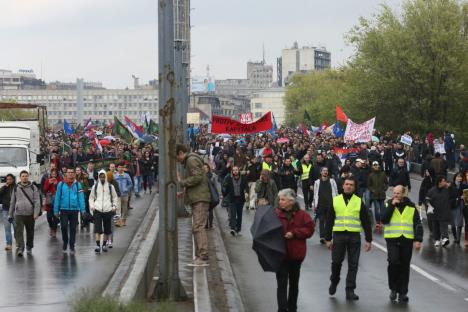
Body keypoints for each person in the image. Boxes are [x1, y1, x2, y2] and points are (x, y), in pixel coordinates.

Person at [325, 177, 372, 301]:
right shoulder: (335, 200)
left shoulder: (358, 201)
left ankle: (350, 289)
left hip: (354, 236)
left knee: (353, 264)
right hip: (339, 235)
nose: (349, 186)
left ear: (354, 187)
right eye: (347, 184)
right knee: (336, 262)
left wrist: (369, 239)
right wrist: (328, 238)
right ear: (343, 186)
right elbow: (329, 220)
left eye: (351, 184)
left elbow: (366, 221)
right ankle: (334, 280)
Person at [275, 188, 314, 312]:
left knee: (293, 284)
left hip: (295, 255)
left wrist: (295, 233)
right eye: (280, 199)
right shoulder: (276, 213)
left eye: (283, 199)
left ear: (291, 201)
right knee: (281, 284)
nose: (280, 202)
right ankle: (282, 309)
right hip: (280, 254)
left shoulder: (302, 215)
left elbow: (309, 230)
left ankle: (292, 308)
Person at [382, 185, 423, 303]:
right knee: (393, 262)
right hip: (392, 239)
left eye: (398, 193)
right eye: (394, 193)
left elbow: (417, 223)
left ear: (404, 194)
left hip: (406, 239)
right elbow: (384, 219)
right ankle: (393, 288)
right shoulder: (388, 203)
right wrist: (392, 205)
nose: (395, 195)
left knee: (405, 266)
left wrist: (418, 239)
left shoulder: (411, 206)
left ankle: (403, 292)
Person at [176, 144, 211, 266]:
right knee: (197, 227)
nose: (177, 160)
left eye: (177, 157)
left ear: (181, 153)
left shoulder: (191, 160)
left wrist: (182, 182)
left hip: (200, 198)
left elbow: (197, 178)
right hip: (198, 197)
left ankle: (202, 256)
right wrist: (184, 192)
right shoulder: (191, 160)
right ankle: (199, 256)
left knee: (198, 227)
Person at [8, 170, 41, 256]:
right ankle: (20, 248)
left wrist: (36, 214)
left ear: (28, 177)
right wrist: (10, 214)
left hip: (30, 214)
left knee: (30, 232)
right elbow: (12, 202)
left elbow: (37, 201)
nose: (24, 177)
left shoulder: (33, 187)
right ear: (20, 177)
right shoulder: (16, 188)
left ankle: (29, 247)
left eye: (26, 176)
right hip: (19, 214)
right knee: (19, 232)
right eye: (23, 176)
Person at [53, 168, 86, 254]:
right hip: (63, 209)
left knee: (73, 228)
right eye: (69, 172)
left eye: (72, 172)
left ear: (74, 174)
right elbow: (57, 197)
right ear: (66, 174)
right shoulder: (61, 184)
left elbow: (81, 198)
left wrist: (83, 210)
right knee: (63, 227)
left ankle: (72, 245)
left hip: (74, 210)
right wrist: (56, 210)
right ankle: (65, 242)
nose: (70, 174)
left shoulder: (78, 184)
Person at [89, 170, 118, 253]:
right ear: (98, 177)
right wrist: (92, 206)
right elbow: (91, 198)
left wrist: (114, 206)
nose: (102, 178)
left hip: (107, 210)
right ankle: (98, 246)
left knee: (107, 229)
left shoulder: (110, 186)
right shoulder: (95, 186)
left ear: (105, 177)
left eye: (103, 177)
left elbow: (115, 197)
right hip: (97, 210)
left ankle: (104, 245)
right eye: (100, 177)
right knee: (97, 229)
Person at [313, 167, 338, 244]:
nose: (325, 172)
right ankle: (322, 237)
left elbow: (336, 192)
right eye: (324, 171)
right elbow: (315, 194)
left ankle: (328, 236)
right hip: (320, 205)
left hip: (330, 204)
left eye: (326, 171)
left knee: (329, 221)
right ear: (321, 172)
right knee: (321, 220)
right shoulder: (317, 182)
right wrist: (315, 205)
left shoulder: (332, 181)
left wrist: (336, 203)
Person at [426, 176, 451, 247]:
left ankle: (445, 238)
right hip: (434, 212)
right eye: (444, 181)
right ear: (440, 182)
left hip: (444, 212)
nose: (445, 182)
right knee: (435, 227)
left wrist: (450, 187)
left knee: (444, 226)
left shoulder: (447, 190)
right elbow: (427, 199)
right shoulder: (432, 190)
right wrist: (428, 204)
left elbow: (454, 193)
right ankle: (437, 240)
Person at [222, 165, 248, 236]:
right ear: (232, 171)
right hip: (232, 199)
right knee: (233, 214)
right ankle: (233, 228)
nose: (235, 171)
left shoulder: (243, 179)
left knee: (239, 215)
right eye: (234, 170)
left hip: (240, 199)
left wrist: (246, 192)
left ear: (238, 171)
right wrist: (223, 195)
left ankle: (238, 229)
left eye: (236, 170)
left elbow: (246, 187)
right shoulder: (229, 179)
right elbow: (227, 189)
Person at [367, 161, 389, 232]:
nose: (376, 166)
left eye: (377, 165)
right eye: (374, 165)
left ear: (379, 166)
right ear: (372, 166)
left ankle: (381, 221)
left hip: (382, 195)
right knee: (377, 209)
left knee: (382, 209)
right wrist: (372, 190)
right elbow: (369, 185)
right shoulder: (371, 175)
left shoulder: (383, 174)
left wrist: (385, 189)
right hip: (375, 196)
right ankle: (378, 222)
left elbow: (386, 183)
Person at [43, 168, 61, 238]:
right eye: (52, 174)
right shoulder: (48, 180)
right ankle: (51, 227)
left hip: (57, 201)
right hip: (49, 202)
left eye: (55, 174)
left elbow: (61, 190)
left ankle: (54, 230)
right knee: (49, 217)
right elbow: (44, 189)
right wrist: (49, 184)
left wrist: (56, 184)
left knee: (55, 217)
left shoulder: (59, 181)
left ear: (56, 174)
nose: (53, 175)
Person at [114, 162, 133, 227]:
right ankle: (118, 221)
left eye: (121, 167)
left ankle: (123, 220)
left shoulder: (126, 175)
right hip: (117, 195)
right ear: (117, 168)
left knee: (125, 208)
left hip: (125, 194)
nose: (120, 168)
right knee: (118, 208)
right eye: (119, 167)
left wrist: (126, 189)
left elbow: (130, 184)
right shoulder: (115, 176)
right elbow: (112, 185)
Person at [0, 174, 15, 251]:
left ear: (13, 179)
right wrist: (4, 187)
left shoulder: (16, 187)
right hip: (6, 210)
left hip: (15, 210)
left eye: (10, 179)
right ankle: (9, 244)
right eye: (7, 179)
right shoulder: (4, 188)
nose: (9, 181)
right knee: (7, 228)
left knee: (16, 228)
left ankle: (19, 243)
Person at [418, 168, 435, 235]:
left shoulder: (436, 179)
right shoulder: (425, 180)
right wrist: (420, 200)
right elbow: (421, 190)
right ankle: (431, 230)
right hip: (427, 201)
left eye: (427, 171)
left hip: (435, 200)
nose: (426, 172)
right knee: (429, 215)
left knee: (435, 215)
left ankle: (435, 229)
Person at [449, 173, 464, 244]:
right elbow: (449, 196)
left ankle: (458, 239)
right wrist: (458, 197)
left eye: (461, 177)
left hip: (460, 205)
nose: (459, 178)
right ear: (455, 177)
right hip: (452, 205)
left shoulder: (463, 185)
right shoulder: (451, 185)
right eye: (458, 177)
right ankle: (455, 237)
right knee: (453, 223)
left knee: (459, 222)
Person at [203, 163, 217, 229]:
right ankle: (205, 224)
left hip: (210, 195)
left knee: (210, 210)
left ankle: (210, 224)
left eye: (206, 168)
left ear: (208, 169)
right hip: (204, 195)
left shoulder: (212, 176)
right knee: (205, 210)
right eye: (204, 168)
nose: (205, 169)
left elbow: (214, 186)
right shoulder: (201, 176)